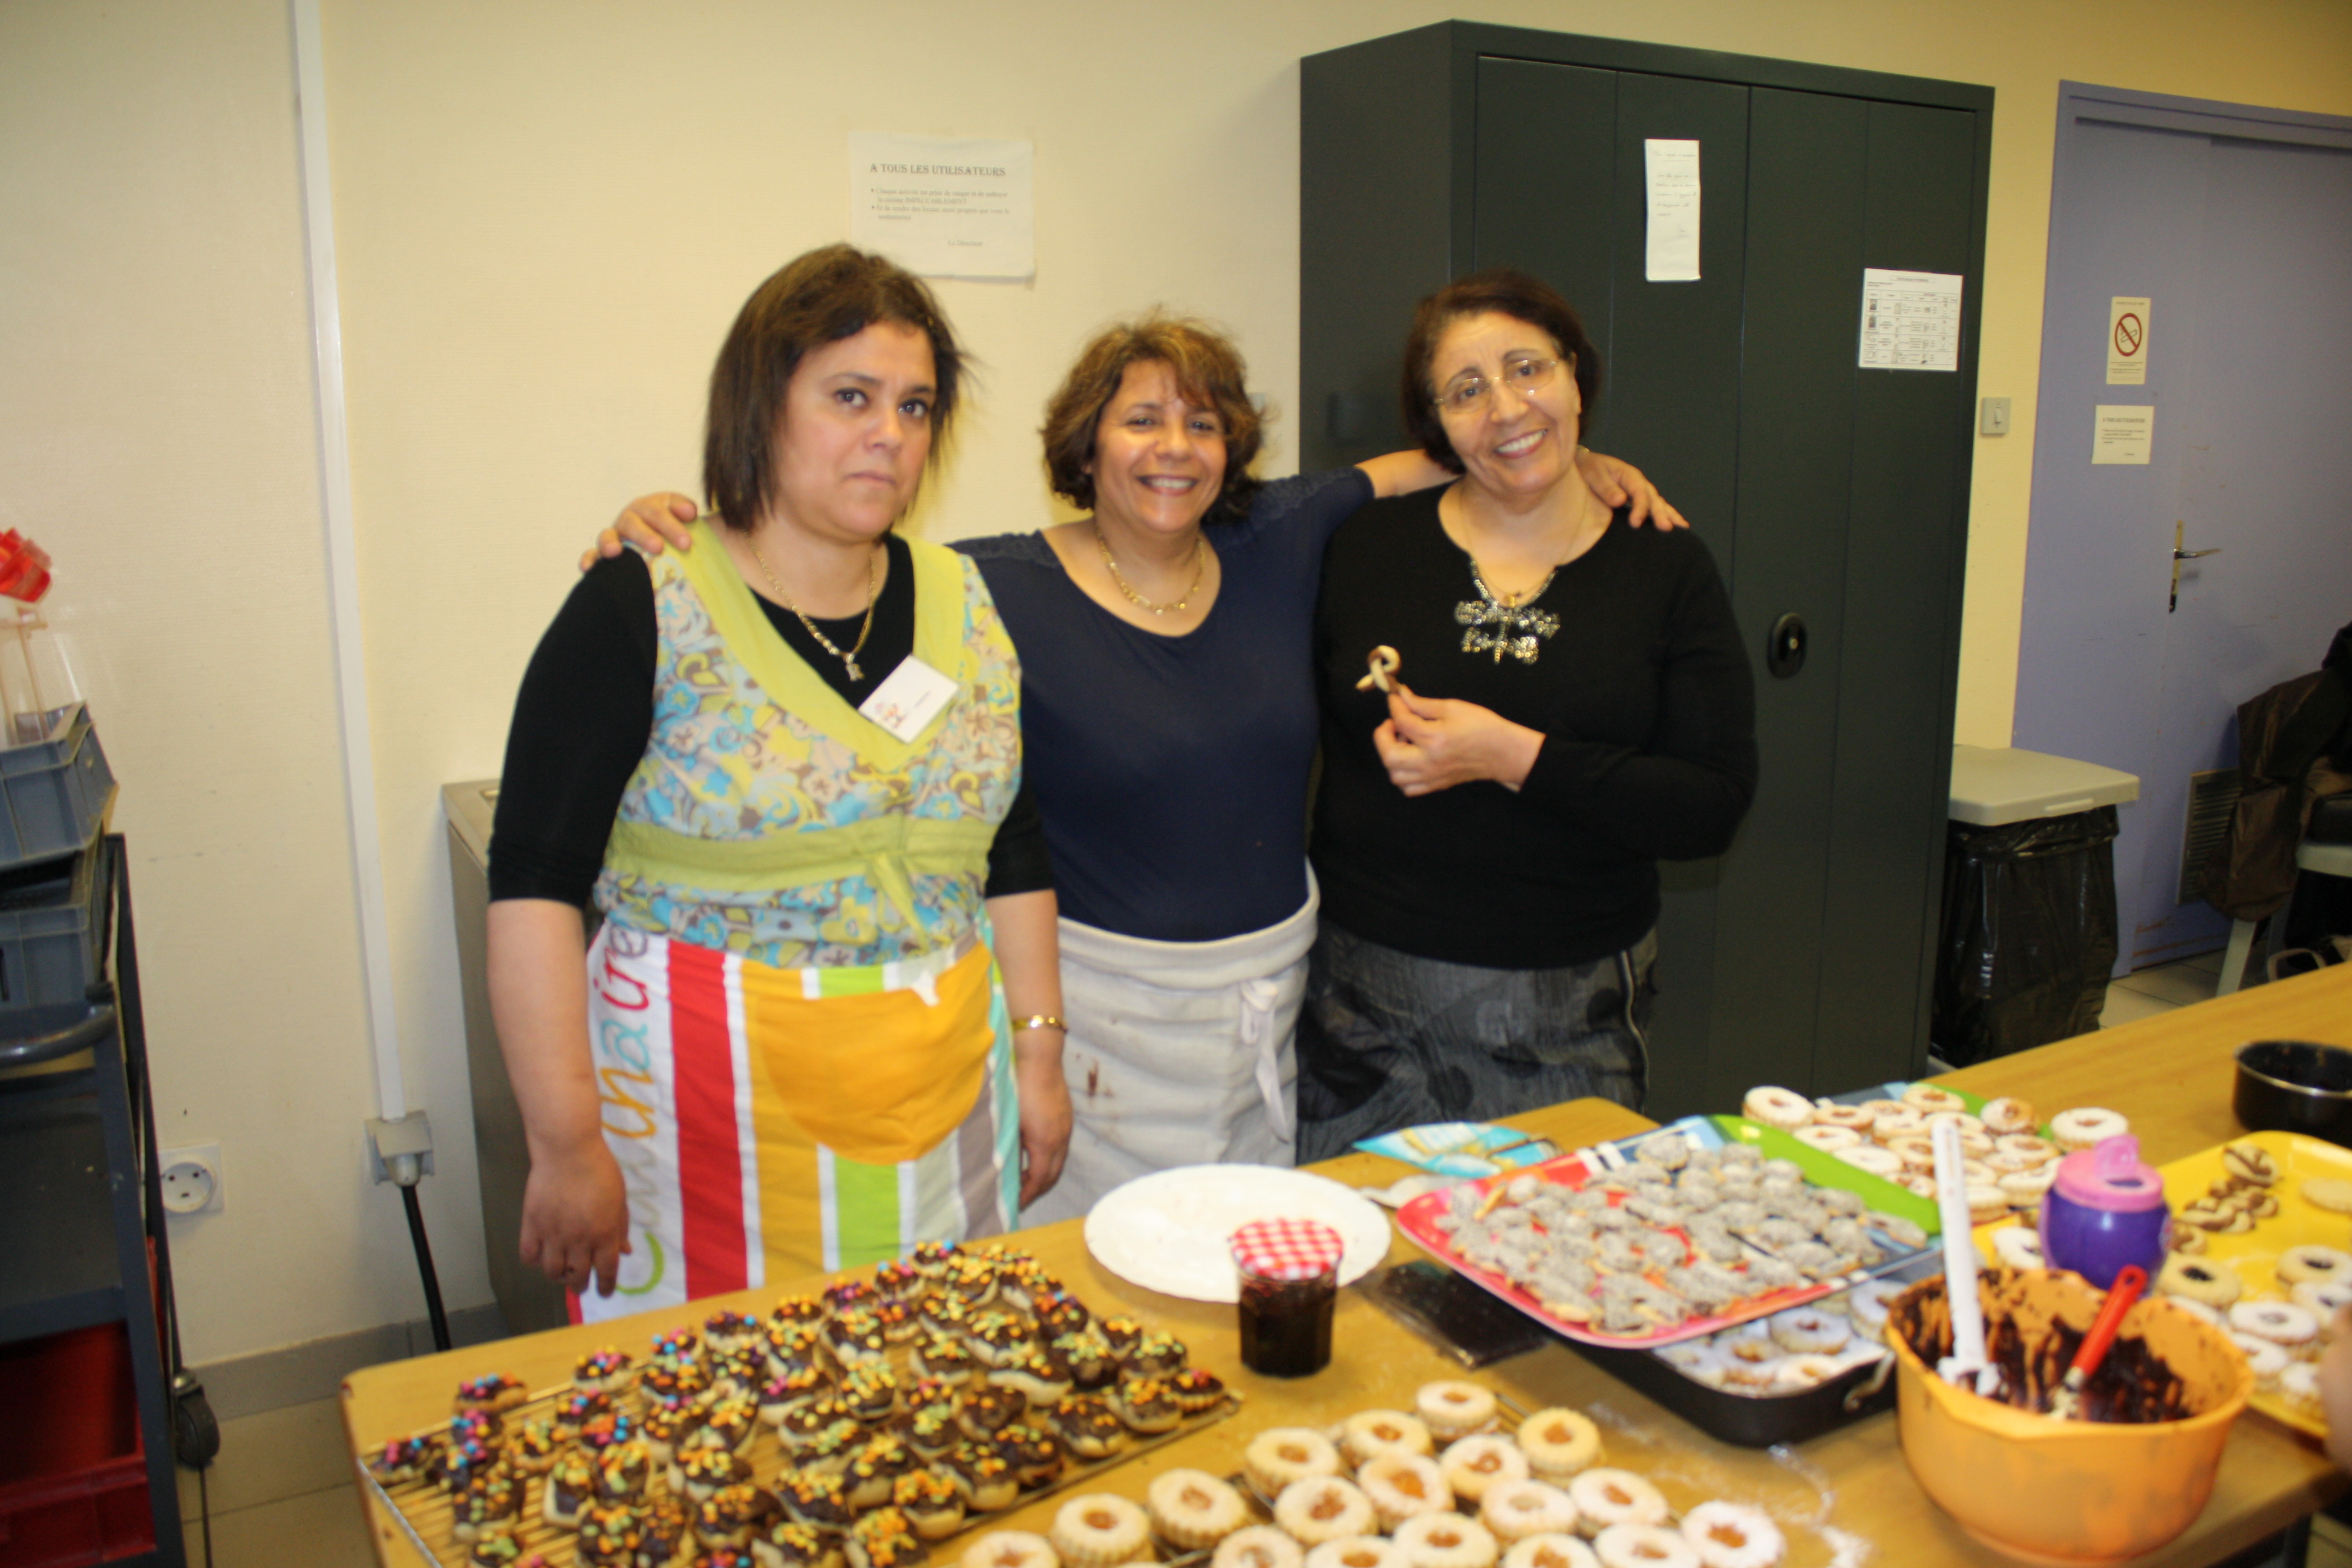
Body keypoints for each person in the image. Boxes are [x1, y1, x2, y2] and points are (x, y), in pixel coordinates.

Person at [596, 312, 1683, 1223]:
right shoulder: (988, 588)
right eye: (1142, 420)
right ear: (1086, 447)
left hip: (1269, 1020)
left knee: (1241, 1265)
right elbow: (819, 573)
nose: (1176, 448)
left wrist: (1575, 465)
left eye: (1203, 424)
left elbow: (1449, 457)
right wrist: (683, 534)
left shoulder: (1279, 537)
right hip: (1093, 1032)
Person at [487, 244, 1068, 1318]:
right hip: (699, 1138)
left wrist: (1039, 1058)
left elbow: (1014, 846)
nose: (889, 432)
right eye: (851, 396)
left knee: (926, 1382)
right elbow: (532, 887)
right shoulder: (643, 602)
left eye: (915, 405)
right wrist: (564, 1144)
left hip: (940, 1121)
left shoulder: (966, 601)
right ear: (761, 407)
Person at [1298, 268, 1759, 1160]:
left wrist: (1515, 756)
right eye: (1466, 390)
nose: (1507, 407)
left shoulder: (1663, 565)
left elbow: (1711, 805)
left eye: (1528, 369)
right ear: (1436, 424)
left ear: (1575, 376)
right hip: (1357, 1017)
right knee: (1357, 1240)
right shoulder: (1363, 550)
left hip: (1568, 1010)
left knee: (1550, 1243)